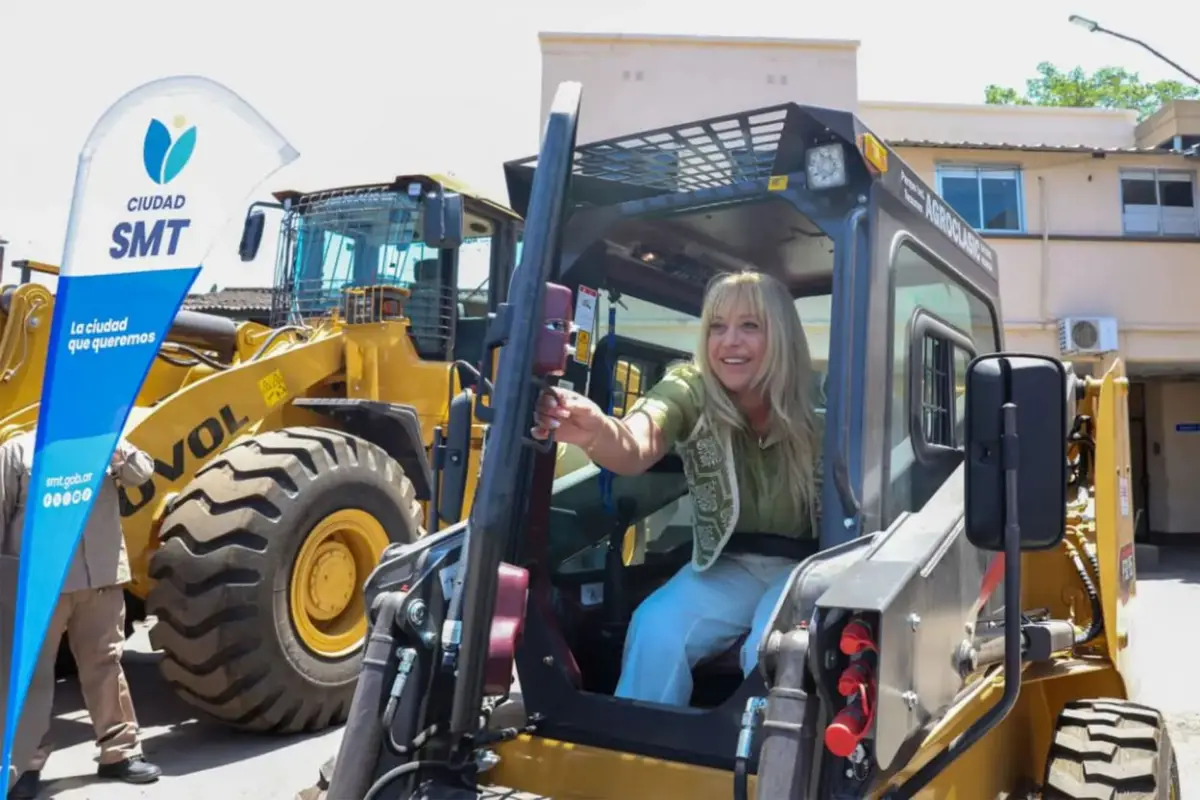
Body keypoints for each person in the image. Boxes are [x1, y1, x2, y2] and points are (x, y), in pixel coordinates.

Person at [531, 270, 824, 708]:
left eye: (750, 326)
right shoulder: (690, 389)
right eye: (717, 327)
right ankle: (639, 756)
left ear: (781, 336)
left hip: (805, 569)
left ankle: (770, 766)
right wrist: (597, 431)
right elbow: (636, 443)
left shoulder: (821, 412)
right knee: (656, 627)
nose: (729, 342)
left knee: (771, 650)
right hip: (730, 564)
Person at [0, 429, 162, 798]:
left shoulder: (103, 440)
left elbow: (143, 472)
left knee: (106, 664)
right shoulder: (19, 452)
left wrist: (120, 454)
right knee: (32, 675)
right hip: (40, 584)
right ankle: (24, 766)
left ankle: (119, 752)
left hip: (100, 577)